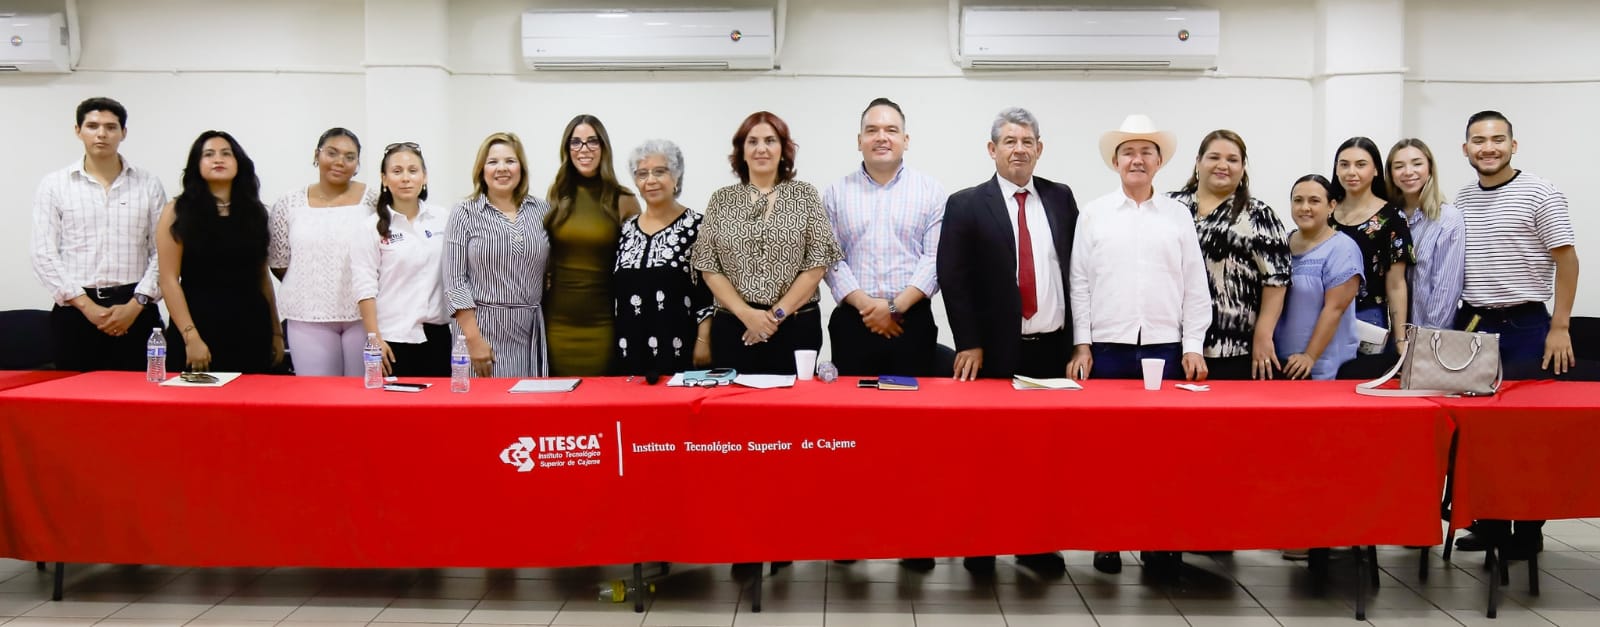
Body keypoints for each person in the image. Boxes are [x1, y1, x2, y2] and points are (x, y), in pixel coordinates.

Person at [1068, 114, 1211, 576]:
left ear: (1159, 162)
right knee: (1107, 452)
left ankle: (1159, 539)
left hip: (1165, 349)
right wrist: (1082, 345)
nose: (1137, 158)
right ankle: (1107, 538)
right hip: (1107, 349)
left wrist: (1193, 344)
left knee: (1165, 452)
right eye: (1129, 151)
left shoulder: (1178, 215)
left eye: (1147, 151)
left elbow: (1194, 284)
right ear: (1115, 161)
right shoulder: (1092, 214)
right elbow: (1080, 285)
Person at [936, 106, 1075, 578]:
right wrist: (968, 343)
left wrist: (1080, 343)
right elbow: (953, 280)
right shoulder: (966, 203)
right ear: (992, 150)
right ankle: (983, 542)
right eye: (1010, 141)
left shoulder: (1061, 198)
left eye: (1028, 140)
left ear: (1040, 149)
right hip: (995, 352)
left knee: (1043, 456)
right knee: (989, 454)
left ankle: (1034, 543)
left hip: (1052, 349)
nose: (1020, 149)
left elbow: (1075, 271)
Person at [1450, 110, 1581, 558]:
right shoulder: (1462, 200)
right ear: (1465, 148)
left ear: (1513, 145)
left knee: (1526, 435)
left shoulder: (1540, 193)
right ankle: (1489, 523)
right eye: (1478, 140)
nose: (1488, 147)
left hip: (1527, 324)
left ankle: (1527, 530)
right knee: (1478, 433)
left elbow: (1567, 261)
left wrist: (1560, 326)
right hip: (1474, 326)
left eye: (1498, 139)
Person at [691, 111, 842, 376]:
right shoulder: (721, 199)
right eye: (752, 141)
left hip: (795, 326)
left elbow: (817, 264)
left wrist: (774, 317)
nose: (761, 148)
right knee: (734, 411)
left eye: (770, 141)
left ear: (783, 149)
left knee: (792, 412)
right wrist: (747, 315)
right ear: (742, 150)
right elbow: (708, 265)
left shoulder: (804, 195)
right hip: (734, 328)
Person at [30, 97, 166, 372]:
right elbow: (42, 252)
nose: (101, 134)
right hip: (75, 312)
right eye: (92, 126)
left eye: (111, 127)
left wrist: (136, 304)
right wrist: (87, 307)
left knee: (143, 401)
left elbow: (163, 252)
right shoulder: (55, 185)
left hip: (136, 309)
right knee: (75, 404)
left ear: (123, 133)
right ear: (78, 130)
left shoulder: (148, 183)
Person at [823, 98, 945, 378]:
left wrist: (893, 307)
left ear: (905, 139)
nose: (881, 137)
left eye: (891, 130)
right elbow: (831, 259)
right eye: (872, 130)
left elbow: (934, 258)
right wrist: (870, 308)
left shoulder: (931, 191)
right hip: (854, 321)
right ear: (859, 140)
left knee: (913, 413)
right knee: (853, 414)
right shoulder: (835, 192)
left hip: (911, 321)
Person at [1168, 130, 1292, 380]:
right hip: (1172, 342)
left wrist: (1263, 335)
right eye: (1214, 157)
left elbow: (1277, 281)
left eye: (1232, 160)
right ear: (1198, 161)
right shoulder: (1169, 206)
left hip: (1232, 346)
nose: (1222, 165)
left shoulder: (1259, 214)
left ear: (1243, 167)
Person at [156, 131, 282, 373]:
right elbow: (169, 280)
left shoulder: (255, 212)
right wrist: (190, 336)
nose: (218, 159)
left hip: (251, 326)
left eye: (226, 154)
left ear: (239, 162)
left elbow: (262, 277)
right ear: (197, 164)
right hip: (199, 325)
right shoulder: (178, 211)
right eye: (209, 154)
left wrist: (276, 331)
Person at [269, 128, 378, 376]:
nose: (340, 162)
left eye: (350, 157)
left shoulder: (373, 200)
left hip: (363, 316)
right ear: (317, 155)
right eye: (332, 153)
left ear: (358, 164)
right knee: (317, 397)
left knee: (362, 397)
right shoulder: (290, 202)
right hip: (307, 316)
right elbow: (279, 260)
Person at [444, 132, 552, 379]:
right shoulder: (465, 212)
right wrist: (473, 339)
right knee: (484, 411)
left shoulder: (542, 210)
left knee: (528, 410)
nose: (502, 168)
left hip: (530, 329)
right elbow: (455, 283)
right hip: (481, 330)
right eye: (493, 162)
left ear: (521, 168)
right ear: (482, 169)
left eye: (510, 161)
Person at [545, 115, 641, 376]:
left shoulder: (624, 199)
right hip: (558, 323)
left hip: (604, 323)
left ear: (604, 147)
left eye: (591, 142)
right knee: (560, 404)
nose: (583, 150)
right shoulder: (556, 195)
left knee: (599, 403)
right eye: (575, 143)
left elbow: (633, 265)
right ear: (567, 149)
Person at [612, 139, 713, 376]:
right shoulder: (625, 230)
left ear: (676, 177)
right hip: (629, 353)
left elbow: (711, 292)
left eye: (660, 171)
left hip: (682, 351)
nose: (650, 180)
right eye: (642, 174)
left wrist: (704, 340)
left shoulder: (698, 227)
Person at [350, 142, 451, 378]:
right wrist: (374, 338)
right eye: (397, 171)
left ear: (424, 176)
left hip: (437, 336)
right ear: (384, 179)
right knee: (395, 412)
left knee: (438, 411)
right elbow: (364, 287)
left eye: (412, 171)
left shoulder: (442, 218)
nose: (406, 178)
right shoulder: (370, 228)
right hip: (392, 340)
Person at [1328, 136, 1412, 355]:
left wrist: (1401, 338)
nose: (1351, 172)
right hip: (1323, 316)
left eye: (1361, 164)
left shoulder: (1392, 216)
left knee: (1360, 383)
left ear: (1375, 170)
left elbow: (1396, 284)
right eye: (1344, 164)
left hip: (1367, 317)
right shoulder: (1325, 213)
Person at [1274, 175, 1363, 381]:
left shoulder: (1343, 249)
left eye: (1314, 201)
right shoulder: (1280, 244)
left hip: (1320, 365)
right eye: (1298, 200)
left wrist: (1310, 356)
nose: (1305, 207)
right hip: (1280, 362)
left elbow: (1334, 309)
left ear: (1331, 206)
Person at [1386, 138, 1464, 330]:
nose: (1408, 172)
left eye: (1417, 163)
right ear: (1390, 173)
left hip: (1427, 334)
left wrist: (1427, 336)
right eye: (1399, 166)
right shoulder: (1387, 218)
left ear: (1429, 168)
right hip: (1388, 332)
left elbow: (1446, 289)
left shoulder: (1447, 218)